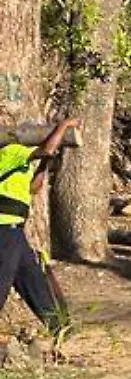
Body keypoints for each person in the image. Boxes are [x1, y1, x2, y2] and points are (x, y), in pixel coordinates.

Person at [0, 118, 77, 336]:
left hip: (14, 229)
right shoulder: (10, 151)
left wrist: (45, 165)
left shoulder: (18, 165)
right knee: (3, 278)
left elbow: (34, 187)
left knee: (31, 277)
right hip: (5, 228)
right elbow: (46, 149)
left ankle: (59, 327)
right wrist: (63, 126)